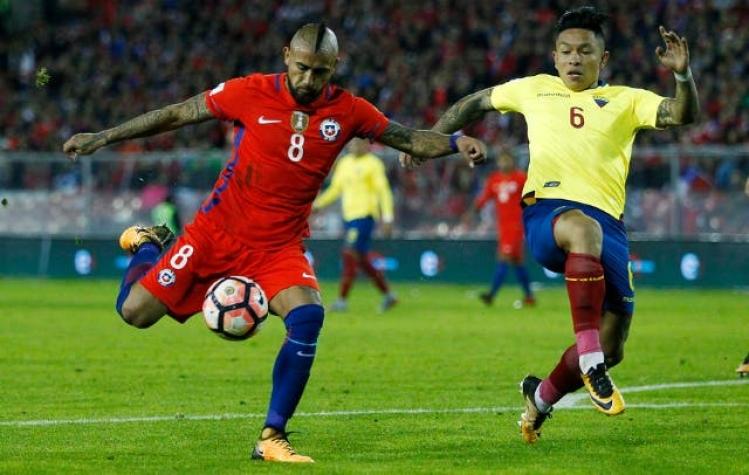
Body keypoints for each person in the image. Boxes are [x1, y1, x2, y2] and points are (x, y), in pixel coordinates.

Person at [63, 23, 486, 463]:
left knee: (307, 315)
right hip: (215, 232)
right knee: (133, 313)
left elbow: (409, 137)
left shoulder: (350, 111)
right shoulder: (249, 91)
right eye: (302, 67)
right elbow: (179, 112)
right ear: (286, 55)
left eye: (320, 72)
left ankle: (272, 435)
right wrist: (104, 136)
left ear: (334, 68)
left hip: (279, 245)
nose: (308, 79)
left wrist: (457, 141)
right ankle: (151, 245)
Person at [401, 7, 698, 443]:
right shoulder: (534, 90)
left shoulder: (626, 99)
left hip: (608, 229)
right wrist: (430, 141)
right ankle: (590, 364)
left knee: (615, 344)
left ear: (604, 58)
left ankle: (538, 400)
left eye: (584, 51)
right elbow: (475, 102)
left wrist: (683, 75)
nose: (574, 59)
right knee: (581, 233)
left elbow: (681, 114)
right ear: (554, 57)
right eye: (565, 51)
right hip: (549, 212)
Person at [312, 138, 398, 313]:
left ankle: (342, 300)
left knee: (349, 252)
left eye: (359, 143)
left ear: (367, 145)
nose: (354, 146)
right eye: (352, 143)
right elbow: (336, 189)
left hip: (365, 216)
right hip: (349, 218)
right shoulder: (344, 163)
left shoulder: (373, 164)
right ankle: (388, 296)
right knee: (362, 260)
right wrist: (317, 205)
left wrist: (388, 217)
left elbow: (383, 191)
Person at [467, 150, 535, 307]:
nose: (504, 163)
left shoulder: (520, 178)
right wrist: (472, 212)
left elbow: (531, 197)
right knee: (517, 262)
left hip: (516, 226)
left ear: (512, 161)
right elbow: (484, 198)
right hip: (503, 226)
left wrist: (529, 211)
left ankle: (491, 295)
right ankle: (529, 296)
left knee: (503, 258)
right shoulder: (494, 179)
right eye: (501, 160)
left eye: (507, 160)